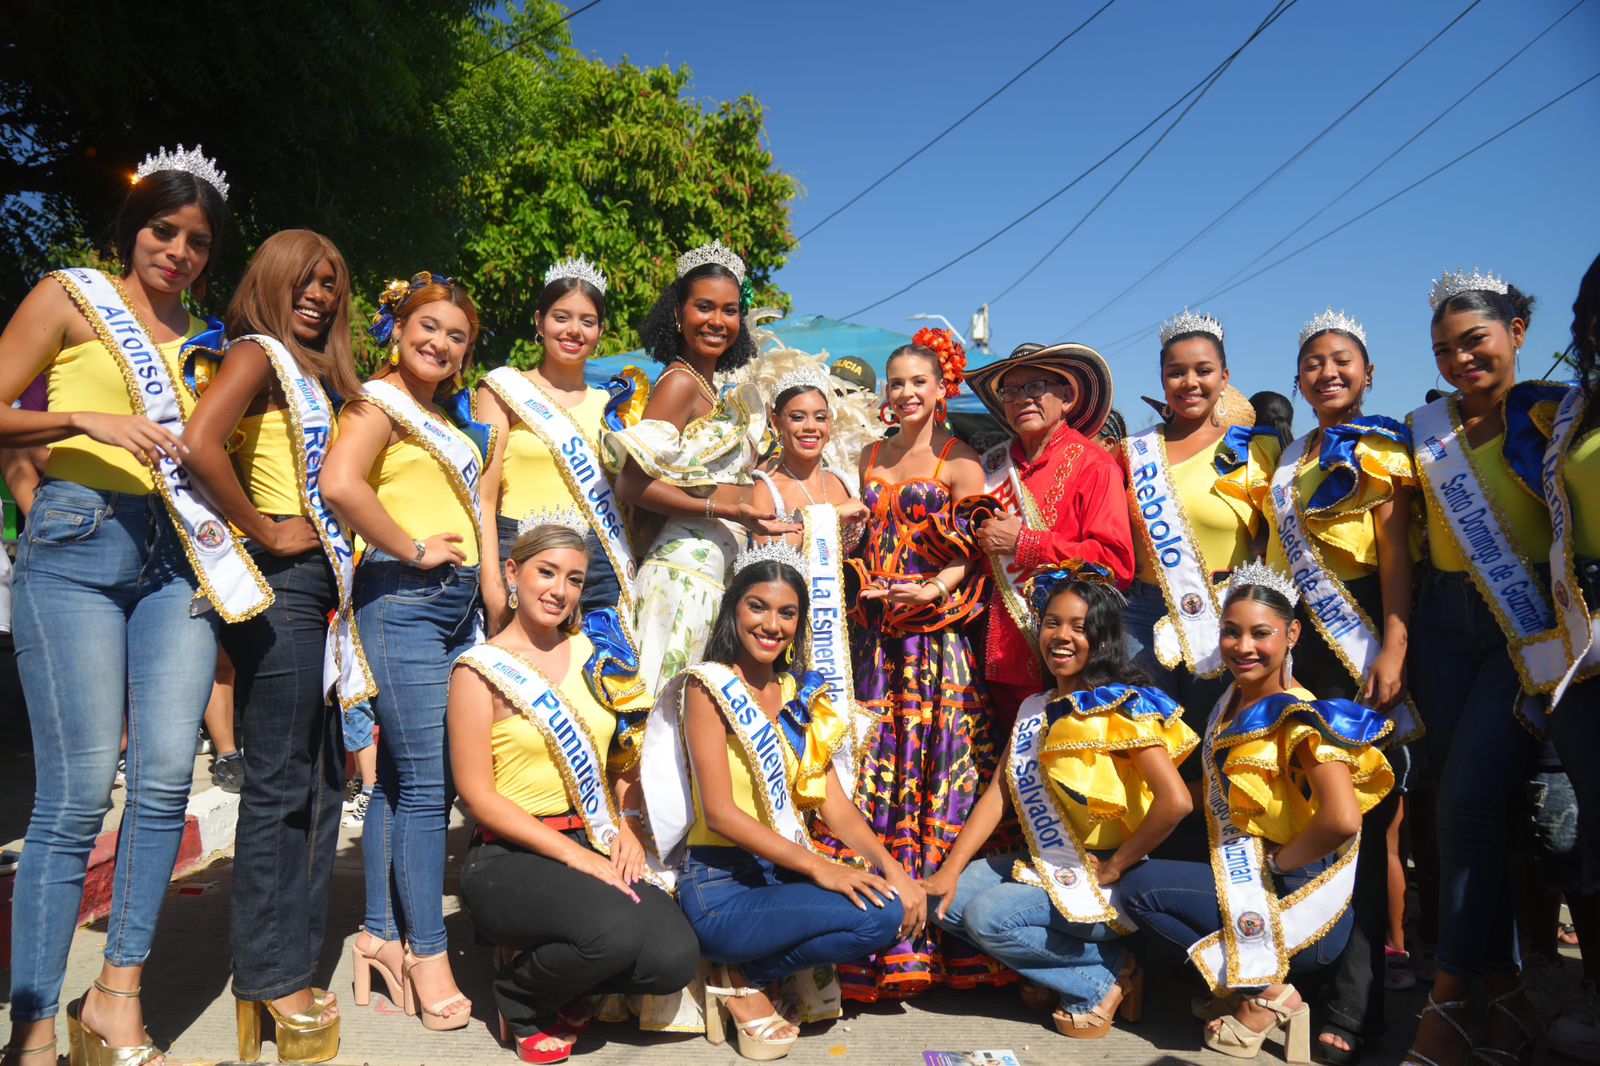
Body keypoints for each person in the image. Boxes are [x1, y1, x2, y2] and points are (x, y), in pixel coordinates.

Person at [0, 146, 251, 1066]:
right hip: (77, 541)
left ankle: (117, 997)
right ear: (133, 228)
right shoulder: (69, 297)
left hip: (177, 559)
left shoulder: (213, 339)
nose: (178, 251)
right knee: (72, 799)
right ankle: (31, 1026)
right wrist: (80, 420)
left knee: (159, 787)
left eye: (197, 240)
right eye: (163, 230)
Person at [182, 229, 370, 1060]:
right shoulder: (257, 355)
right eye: (306, 279)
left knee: (323, 780)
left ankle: (288, 959)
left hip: (323, 595)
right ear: (271, 278)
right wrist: (261, 528)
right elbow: (196, 445)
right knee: (280, 784)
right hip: (283, 592)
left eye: (332, 284)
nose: (320, 294)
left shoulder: (318, 375)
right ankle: (267, 976)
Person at [639, 541, 924, 1061]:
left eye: (787, 612)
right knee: (873, 910)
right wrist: (821, 868)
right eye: (758, 607)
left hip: (777, 876)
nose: (772, 624)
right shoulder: (709, 688)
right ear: (734, 610)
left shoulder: (796, 692)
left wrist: (891, 866)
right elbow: (721, 814)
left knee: (884, 911)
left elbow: (833, 805)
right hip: (721, 886)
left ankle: (744, 972)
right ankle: (738, 976)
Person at [1115, 561, 1394, 1063]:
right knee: (1141, 870)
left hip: (1298, 903)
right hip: (1253, 882)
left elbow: (1344, 819)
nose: (1244, 647)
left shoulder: (1303, 715)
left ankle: (1264, 995)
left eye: (1260, 634)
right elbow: (1209, 791)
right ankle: (1244, 984)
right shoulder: (1231, 702)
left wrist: (1279, 865)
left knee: (1138, 891)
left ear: (1292, 635)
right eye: (1231, 632)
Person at [451, 511, 698, 1064]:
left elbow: (623, 762)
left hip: (594, 835)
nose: (560, 591)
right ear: (513, 573)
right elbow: (477, 796)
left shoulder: (597, 655)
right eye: (546, 572)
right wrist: (576, 857)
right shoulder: (479, 671)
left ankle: (567, 983)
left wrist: (629, 826)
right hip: (509, 855)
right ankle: (519, 999)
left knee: (673, 958)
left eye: (575, 579)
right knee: (612, 931)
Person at [923, 564, 1196, 1040]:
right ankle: (1101, 969)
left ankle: (1096, 982)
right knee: (941, 902)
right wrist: (949, 870)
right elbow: (998, 796)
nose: (1061, 636)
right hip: (1047, 862)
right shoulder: (1036, 707)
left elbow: (1176, 802)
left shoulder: (1123, 705)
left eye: (1078, 625)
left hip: (1108, 880)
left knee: (990, 919)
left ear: (1103, 637)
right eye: (1052, 623)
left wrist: (1117, 866)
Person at [322, 272, 488, 1031]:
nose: (442, 343)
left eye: (457, 336)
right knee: (431, 785)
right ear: (397, 328)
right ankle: (429, 952)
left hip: (450, 609)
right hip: (405, 600)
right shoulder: (375, 404)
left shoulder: (438, 414)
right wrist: (414, 546)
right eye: (429, 327)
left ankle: (379, 936)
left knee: (397, 779)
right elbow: (340, 483)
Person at [815, 330, 1003, 1001]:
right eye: (895, 383)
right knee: (874, 766)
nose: (905, 393)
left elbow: (975, 552)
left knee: (933, 770)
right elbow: (859, 533)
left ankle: (937, 947)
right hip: (874, 638)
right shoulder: (867, 454)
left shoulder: (961, 462)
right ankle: (871, 935)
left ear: (940, 388)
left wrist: (933, 588)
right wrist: (855, 554)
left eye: (917, 382)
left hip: (935, 644)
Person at [1403, 269, 1557, 1066]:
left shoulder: (1551, 417)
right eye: (1443, 350)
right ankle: (1505, 996)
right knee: (1463, 812)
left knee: (1467, 803)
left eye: (1476, 341)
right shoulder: (1422, 431)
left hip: (1523, 629)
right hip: (1441, 625)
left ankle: (1450, 999)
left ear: (1517, 333)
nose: (1461, 359)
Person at [1263, 309, 1421, 1063]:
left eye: (1341, 361)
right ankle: (1304, 980)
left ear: (1367, 372)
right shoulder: (1290, 458)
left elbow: (1395, 556)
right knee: (1302, 819)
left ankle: (1358, 1011)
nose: (1327, 372)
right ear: (1299, 379)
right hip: (1303, 650)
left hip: (1361, 640)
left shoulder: (1387, 445)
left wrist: (1392, 645)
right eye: (1313, 363)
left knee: (1360, 820)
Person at [604, 240, 793, 695]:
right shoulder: (680, 382)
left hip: (713, 578)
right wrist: (724, 510)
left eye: (729, 311)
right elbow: (632, 484)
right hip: (681, 578)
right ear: (678, 313)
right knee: (661, 713)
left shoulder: (710, 388)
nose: (717, 322)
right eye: (704, 307)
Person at [1121, 310, 1280, 845]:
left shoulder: (1255, 450)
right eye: (1176, 372)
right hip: (1141, 614)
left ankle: (1211, 874)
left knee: (1221, 748)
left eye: (1203, 370)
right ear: (1162, 377)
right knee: (1147, 750)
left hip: (1223, 617)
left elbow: (1269, 543)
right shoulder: (1135, 453)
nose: (1190, 383)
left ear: (1224, 377)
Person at [966, 341, 1136, 739]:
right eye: (1011, 391)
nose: (1022, 399)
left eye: (1035, 387)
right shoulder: (989, 466)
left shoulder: (1094, 466)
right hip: (988, 657)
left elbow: (1116, 565)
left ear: (1066, 397)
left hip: (1066, 658)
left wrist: (1026, 544)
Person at [477, 257, 631, 635]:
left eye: (587, 321)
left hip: (598, 560)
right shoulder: (503, 389)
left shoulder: (613, 404)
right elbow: (482, 495)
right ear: (539, 321)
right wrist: (493, 585)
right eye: (561, 317)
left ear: (600, 331)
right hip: (522, 553)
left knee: (597, 681)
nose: (573, 330)